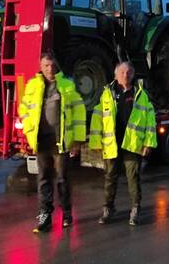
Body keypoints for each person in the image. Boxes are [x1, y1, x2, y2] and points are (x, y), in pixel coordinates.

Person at [18, 53, 86, 233]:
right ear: (40, 66)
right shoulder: (32, 85)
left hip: (60, 142)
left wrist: (77, 140)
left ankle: (67, 213)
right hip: (41, 142)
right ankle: (44, 217)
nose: (49, 69)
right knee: (43, 180)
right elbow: (23, 108)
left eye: (52, 65)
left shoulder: (67, 86)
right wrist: (28, 130)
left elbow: (79, 113)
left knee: (63, 179)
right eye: (46, 65)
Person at [89, 61, 157, 226]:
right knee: (110, 177)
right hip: (112, 143)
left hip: (132, 145)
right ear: (115, 75)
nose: (125, 75)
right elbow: (97, 119)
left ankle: (135, 209)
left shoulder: (141, 95)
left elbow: (150, 122)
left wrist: (148, 143)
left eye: (128, 73)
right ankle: (108, 209)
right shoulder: (107, 94)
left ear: (132, 75)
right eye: (121, 73)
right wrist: (96, 143)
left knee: (133, 178)